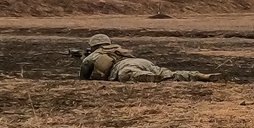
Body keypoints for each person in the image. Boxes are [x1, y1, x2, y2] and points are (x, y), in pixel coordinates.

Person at [78, 34, 222, 82]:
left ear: (93, 46)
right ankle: (200, 76)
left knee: (128, 75)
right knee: (169, 73)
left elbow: (85, 70)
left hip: (124, 66)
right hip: (142, 62)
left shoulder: (94, 54)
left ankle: (150, 78)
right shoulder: (116, 48)